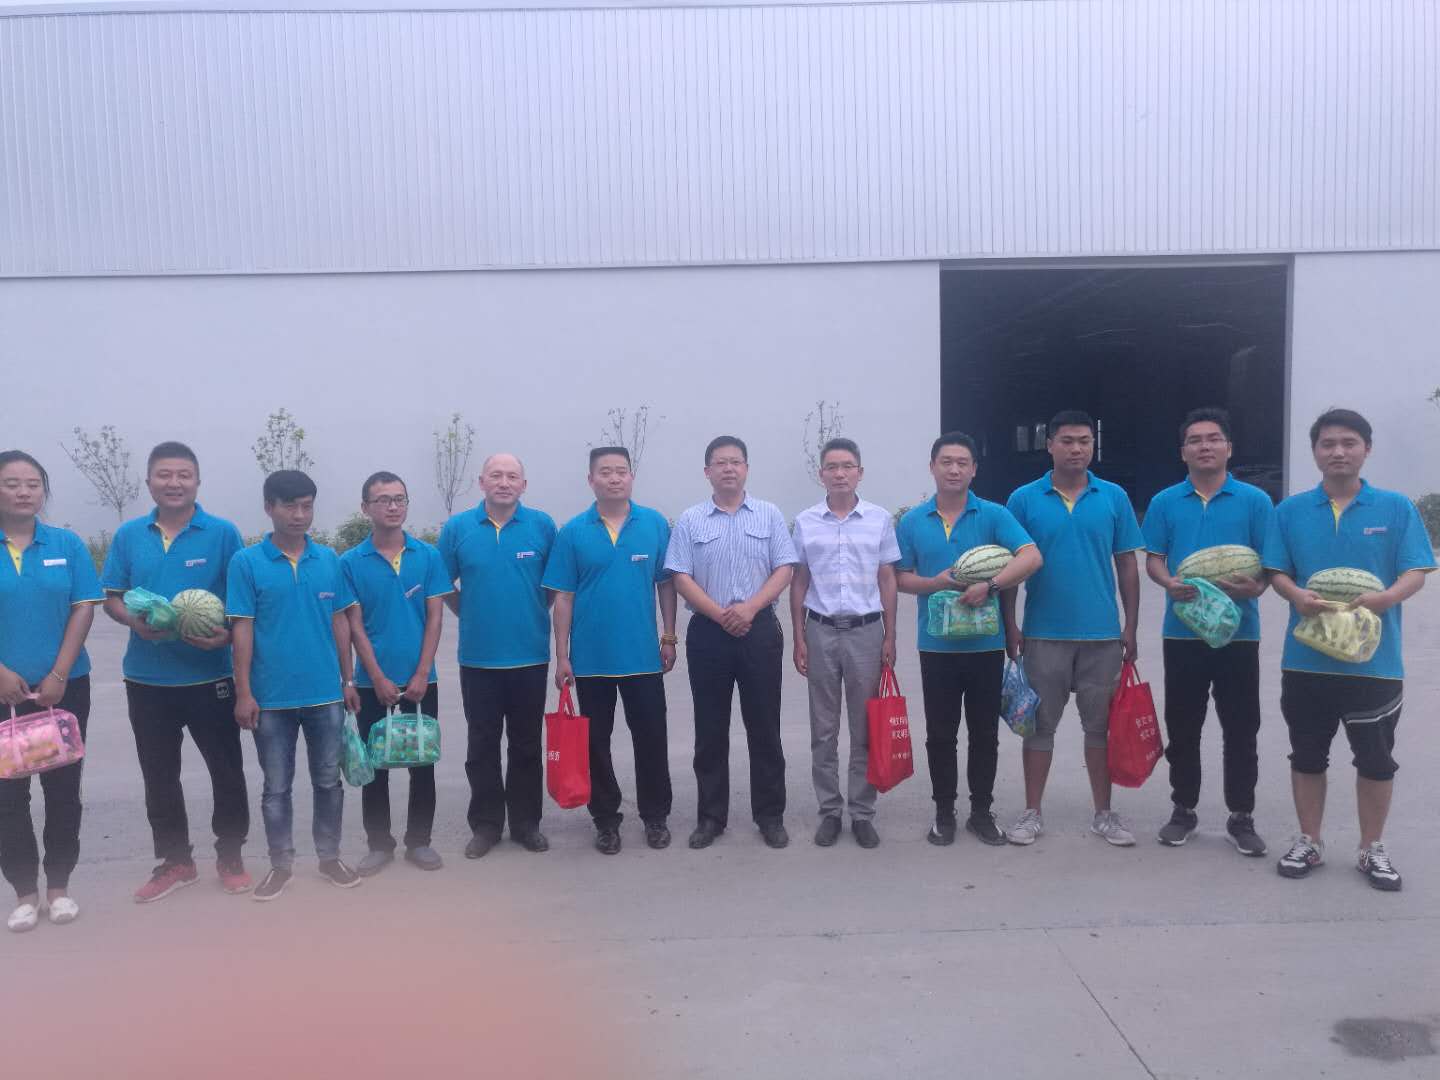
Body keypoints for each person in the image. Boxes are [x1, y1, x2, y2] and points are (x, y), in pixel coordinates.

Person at [1263, 408, 1434, 891]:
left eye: (1349, 442)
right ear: (1315, 451)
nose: (1338, 451)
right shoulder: (1290, 511)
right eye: (1328, 443)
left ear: (1366, 449)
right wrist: (1295, 595)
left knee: (1376, 760)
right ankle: (1309, 840)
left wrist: (1387, 598)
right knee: (1307, 756)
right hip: (1306, 661)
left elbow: (1416, 570)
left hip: (1374, 664)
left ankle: (1371, 847)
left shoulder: (1395, 508)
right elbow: (1276, 570)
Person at [100, 441, 252, 902]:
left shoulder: (222, 533)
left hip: (211, 677)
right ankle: (175, 861)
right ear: (149, 482)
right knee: (159, 775)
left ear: (197, 481)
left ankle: (230, 854)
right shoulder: (129, 535)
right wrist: (132, 621)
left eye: (184, 474)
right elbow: (112, 597)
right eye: (164, 474)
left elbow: (242, 603)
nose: (174, 483)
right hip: (147, 680)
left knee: (226, 771)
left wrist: (224, 637)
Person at [1002, 410, 1145, 848]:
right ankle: (1032, 813)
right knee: (1038, 728)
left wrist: (1130, 626)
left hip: (1102, 636)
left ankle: (1104, 814)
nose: (1077, 448)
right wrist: (1010, 625)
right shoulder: (1024, 499)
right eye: (1067, 440)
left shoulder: (1113, 496)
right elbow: (1010, 568)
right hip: (1043, 634)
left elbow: (1127, 564)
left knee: (1099, 729)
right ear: (1050, 445)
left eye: (1084, 440)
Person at [896, 432, 1042, 846]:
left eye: (962, 462)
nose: (954, 469)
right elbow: (900, 578)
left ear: (974, 469)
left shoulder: (993, 515)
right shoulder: (912, 521)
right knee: (940, 734)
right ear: (932, 467)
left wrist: (991, 585)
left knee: (984, 733)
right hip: (936, 646)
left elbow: (1031, 556)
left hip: (984, 646)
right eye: (946, 462)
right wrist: (934, 583)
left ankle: (981, 812)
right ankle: (944, 812)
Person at [1142, 409, 1273, 856]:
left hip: (1240, 632)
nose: (1205, 446)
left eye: (1213, 438)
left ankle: (1242, 816)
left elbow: (1270, 563)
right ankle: (1184, 810)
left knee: (1241, 726)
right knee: (1183, 726)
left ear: (1228, 447)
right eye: (1195, 440)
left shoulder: (1255, 500)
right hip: (1183, 632)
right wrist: (1168, 582)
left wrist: (1256, 587)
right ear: (1183, 452)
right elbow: (1154, 558)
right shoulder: (1165, 502)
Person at [226, 470, 361, 901]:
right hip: (271, 699)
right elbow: (242, 629)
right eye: (289, 506)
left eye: (307, 506)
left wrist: (348, 679)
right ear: (269, 507)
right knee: (276, 788)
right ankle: (280, 865)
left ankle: (330, 858)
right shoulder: (246, 563)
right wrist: (244, 692)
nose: (299, 515)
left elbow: (340, 621)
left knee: (329, 782)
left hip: (326, 695)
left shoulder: (330, 560)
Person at [665, 435, 798, 850]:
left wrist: (750, 608)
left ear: (746, 469)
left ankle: (770, 815)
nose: (728, 468)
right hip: (708, 632)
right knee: (710, 729)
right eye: (720, 462)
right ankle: (711, 817)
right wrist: (720, 613)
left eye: (736, 461)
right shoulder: (690, 520)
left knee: (764, 727)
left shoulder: (769, 514)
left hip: (759, 630)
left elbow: (785, 567)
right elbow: (680, 575)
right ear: (708, 471)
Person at [544, 447, 678, 855]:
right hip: (591, 660)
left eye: (621, 471)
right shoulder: (573, 532)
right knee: (595, 744)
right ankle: (605, 820)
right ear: (591, 480)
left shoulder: (654, 524)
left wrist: (669, 636)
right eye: (605, 472)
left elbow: (666, 584)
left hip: (642, 658)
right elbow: (563, 596)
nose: (614, 478)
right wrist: (562, 655)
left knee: (651, 739)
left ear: (631, 477)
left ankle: (655, 816)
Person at [0, 451, 102, 932]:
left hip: (64, 690)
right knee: (7, 795)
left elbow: (84, 606)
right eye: (11, 483)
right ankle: (24, 892)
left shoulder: (66, 544)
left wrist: (59, 674)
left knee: (63, 790)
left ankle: (59, 887)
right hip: (3, 694)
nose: (23, 492)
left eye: (33, 483)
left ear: (44, 490)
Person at [438, 453, 556, 858]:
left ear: (523, 484)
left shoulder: (541, 526)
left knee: (526, 745)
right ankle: (486, 825)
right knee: (482, 745)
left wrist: (533, 610)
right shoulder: (458, 528)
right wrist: (467, 610)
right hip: (478, 659)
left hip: (530, 656)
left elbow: (554, 583)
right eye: (496, 476)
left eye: (512, 476)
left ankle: (526, 824)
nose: (504, 483)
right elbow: (441, 581)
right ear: (482, 482)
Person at [790, 438, 900, 849]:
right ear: (821, 474)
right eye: (832, 467)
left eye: (847, 466)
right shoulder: (806, 522)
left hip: (866, 631)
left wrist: (890, 634)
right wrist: (799, 636)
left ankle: (862, 812)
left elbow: (887, 578)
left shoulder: (879, 519)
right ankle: (830, 812)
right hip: (820, 630)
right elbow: (799, 580)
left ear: (860, 472)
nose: (840, 473)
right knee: (823, 729)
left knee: (865, 726)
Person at [340, 471, 451, 876]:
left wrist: (421, 673)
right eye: (383, 499)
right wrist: (375, 677)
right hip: (372, 682)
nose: (392, 506)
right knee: (375, 766)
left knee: (423, 763)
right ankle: (379, 845)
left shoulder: (428, 556)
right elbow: (354, 625)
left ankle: (419, 842)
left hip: (422, 681)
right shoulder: (350, 563)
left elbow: (435, 617)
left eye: (399, 499)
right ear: (365, 507)